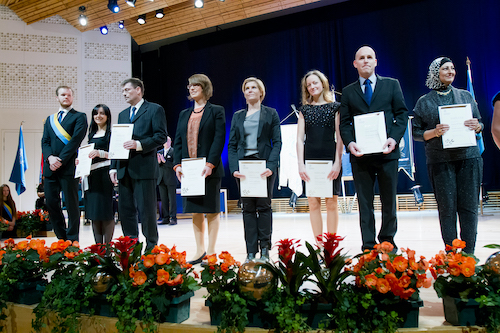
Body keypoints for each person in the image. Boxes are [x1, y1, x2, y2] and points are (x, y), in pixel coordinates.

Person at [339, 46, 408, 252]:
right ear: (355, 64)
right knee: (365, 204)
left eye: (369, 57)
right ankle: (368, 246)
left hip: (387, 153)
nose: (366, 61)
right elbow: (344, 123)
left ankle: (387, 242)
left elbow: (401, 114)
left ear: (376, 61)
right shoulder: (348, 91)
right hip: (361, 156)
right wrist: (350, 143)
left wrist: (394, 139)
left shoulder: (392, 85)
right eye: (361, 58)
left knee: (389, 201)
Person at [413, 57, 483, 254]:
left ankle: (469, 256)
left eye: (453, 68)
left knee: (469, 209)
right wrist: (434, 132)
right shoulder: (424, 102)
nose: (451, 71)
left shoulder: (465, 96)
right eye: (445, 68)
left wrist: (477, 126)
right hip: (441, 162)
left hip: (469, 159)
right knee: (447, 210)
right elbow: (416, 133)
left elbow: (480, 124)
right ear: (435, 72)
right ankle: (452, 258)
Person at [110, 78, 167, 251]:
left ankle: (151, 248)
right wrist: (113, 166)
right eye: (123, 91)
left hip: (144, 169)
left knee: (147, 211)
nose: (124, 94)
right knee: (126, 211)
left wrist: (139, 144)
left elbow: (161, 137)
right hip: (124, 170)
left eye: (127, 90)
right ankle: (131, 247)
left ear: (139, 90)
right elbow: (117, 142)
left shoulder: (154, 109)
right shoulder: (122, 114)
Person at [174, 74, 225, 265]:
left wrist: (210, 163)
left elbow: (219, 138)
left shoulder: (217, 110)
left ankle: (211, 251)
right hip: (190, 170)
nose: (191, 88)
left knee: (212, 210)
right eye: (189, 85)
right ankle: (199, 250)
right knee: (195, 211)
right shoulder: (183, 114)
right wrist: (177, 165)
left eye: (195, 85)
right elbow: (178, 141)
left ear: (205, 88)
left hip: (208, 169)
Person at [228, 77, 282, 261]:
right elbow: (232, 144)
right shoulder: (237, 116)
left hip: (263, 167)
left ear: (261, 92)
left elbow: (277, 142)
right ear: (244, 93)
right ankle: (251, 251)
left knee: (264, 207)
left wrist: (271, 165)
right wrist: (234, 167)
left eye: (254, 87)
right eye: (247, 88)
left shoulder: (271, 113)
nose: (250, 90)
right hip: (244, 168)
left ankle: (265, 248)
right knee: (248, 209)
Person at [296, 70, 343, 242]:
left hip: (330, 159)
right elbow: (299, 139)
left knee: (331, 203)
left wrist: (338, 162)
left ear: (322, 83)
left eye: (315, 83)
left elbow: (340, 137)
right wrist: (301, 165)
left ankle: (331, 246)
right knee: (313, 204)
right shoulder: (304, 110)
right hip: (310, 161)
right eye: (309, 85)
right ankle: (318, 245)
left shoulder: (335, 108)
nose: (312, 86)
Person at [42, 86, 88, 242]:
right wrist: (49, 158)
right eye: (63, 95)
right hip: (50, 168)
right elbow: (45, 142)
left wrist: (60, 159)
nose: (66, 97)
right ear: (57, 97)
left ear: (72, 97)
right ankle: (61, 237)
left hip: (68, 167)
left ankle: (73, 238)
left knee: (71, 204)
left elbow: (75, 141)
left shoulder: (79, 117)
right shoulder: (50, 119)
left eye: (69, 95)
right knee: (51, 203)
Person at [85, 104, 115, 244]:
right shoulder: (91, 134)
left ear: (107, 116)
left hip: (105, 174)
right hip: (92, 176)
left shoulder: (111, 134)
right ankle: (98, 249)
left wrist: (100, 153)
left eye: (102, 113)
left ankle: (107, 250)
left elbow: (116, 154)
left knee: (106, 212)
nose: (99, 116)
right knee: (94, 213)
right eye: (96, 113)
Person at [157, 136, 178, 226]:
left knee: (172, 200)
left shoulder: (173, 151)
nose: (166, 143)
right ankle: (165, 218)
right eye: (165, 141)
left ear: (170, 142)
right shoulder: (159, 152)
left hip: (171, 179)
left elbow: (175, 164)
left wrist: (165, 162)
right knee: (164, 199)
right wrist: (158, 162)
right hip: (161, 179)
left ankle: (173, 218)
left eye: (168, 141)